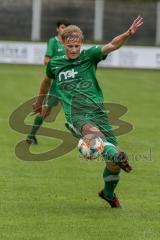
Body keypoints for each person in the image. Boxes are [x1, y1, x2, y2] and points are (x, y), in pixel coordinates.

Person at [32, 16, 143, 208]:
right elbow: (46, 81)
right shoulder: (55, 64)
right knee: (99, 139)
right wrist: (40, 102)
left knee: (113, 163)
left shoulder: (90, 56)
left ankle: (108, 193)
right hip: (76, 115)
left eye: (77, 46)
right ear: (63, 44)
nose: (74, 50)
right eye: (70, 46)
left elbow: (112, 45)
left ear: (81, 44)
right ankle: (115, 156)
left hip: (99, 113)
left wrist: (128, 33)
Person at [26, 19, 70, 144]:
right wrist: (57, 66)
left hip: (70, 82)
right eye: (62, 27)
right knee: (46, 111)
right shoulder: (53, 42)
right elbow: (46, 60)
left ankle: (85, 137)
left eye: (66, 27)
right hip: (57, 83)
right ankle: (31, 135)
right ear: (57, 29)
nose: (64, 30)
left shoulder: (70, 43)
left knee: (77, 108)